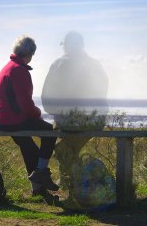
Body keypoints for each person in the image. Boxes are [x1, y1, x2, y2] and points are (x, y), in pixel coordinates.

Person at [41, 31, 109, 195]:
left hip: (69, 121)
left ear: (66, 45)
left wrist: (54, 111)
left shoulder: (59, 64)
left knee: (63, 147)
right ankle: (71, 182)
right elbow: (104, 90)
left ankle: (71, 184)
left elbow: (46, 97)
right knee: (68, 147)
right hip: (96, 120)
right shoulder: (96, 64)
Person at [0, 35, 59, 198]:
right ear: (29, 54)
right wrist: (38, 114)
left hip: (2, 120)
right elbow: (25, 103)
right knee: (49, 131)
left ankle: (38, 190)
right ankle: (42, 171)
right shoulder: (19, 71)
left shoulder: (8, 67)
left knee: (30, 149)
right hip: (14, 120)